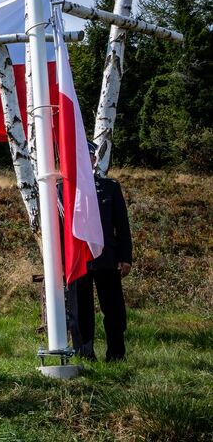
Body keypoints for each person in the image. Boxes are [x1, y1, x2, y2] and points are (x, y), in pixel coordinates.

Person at [66, 141, 133, 362]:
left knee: (113, 309)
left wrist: (125, 258)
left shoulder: (110, 187)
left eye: (91, 156)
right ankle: (85, 354)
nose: (87, 160)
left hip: (107, 258)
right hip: (78, 260)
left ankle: (116, 354)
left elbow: (121, 226)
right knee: (81, 310)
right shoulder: (63, 189)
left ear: (95, 160)